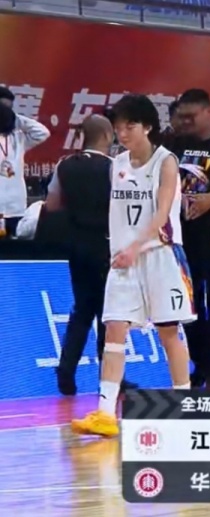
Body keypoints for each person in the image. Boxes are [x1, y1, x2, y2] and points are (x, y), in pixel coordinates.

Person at [71, 94, 195, 437]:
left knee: (168, 331)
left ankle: (184, 404)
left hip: (160, 255)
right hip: (124, 259)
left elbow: (162, 213)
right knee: (114, 329)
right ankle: (105, 413)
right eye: (119, 127)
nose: (123, 133)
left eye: (130, 126)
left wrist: (135, 247)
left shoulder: (166, 161)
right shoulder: (117, 164)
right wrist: (122, 249)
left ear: (148, 127)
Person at [46, 115, 137, 395]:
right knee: (109, 313)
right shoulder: (114, 167)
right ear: (108, 135)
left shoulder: (64, 165)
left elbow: (52, 204)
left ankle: (66, 371)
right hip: (106, 246)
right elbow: (126, 206)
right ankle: (110, 378)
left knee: (82, 309)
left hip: (76, 247)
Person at [171, 88, 210, 389]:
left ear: (208, 112)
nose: (185, 122)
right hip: (183, 239)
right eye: (181, 116)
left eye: (191, 116)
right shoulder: (174, 144)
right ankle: (199, 363)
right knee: (188, 307)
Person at [0, 86, 50, 237]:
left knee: (15, 247)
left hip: (16, 208)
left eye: (9, 109)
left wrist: (15, 119)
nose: (5, 113)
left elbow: (42, 133)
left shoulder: (18, 137)